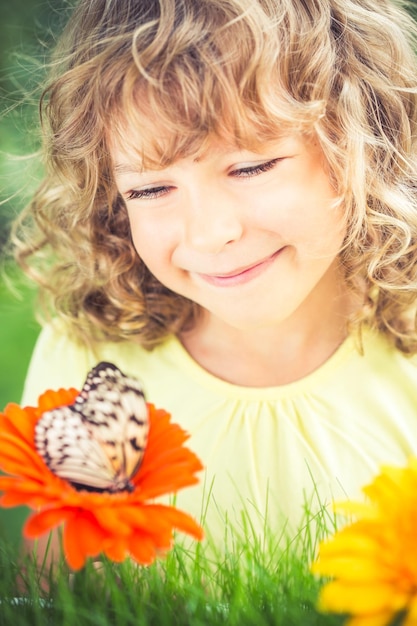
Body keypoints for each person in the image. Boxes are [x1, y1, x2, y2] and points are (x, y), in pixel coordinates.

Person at [12, 0, 417, 554]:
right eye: (152, 189)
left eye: (250, 167)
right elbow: (59, 597)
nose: (208, 235)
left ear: (364, 141)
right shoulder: (87, 359)